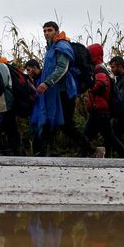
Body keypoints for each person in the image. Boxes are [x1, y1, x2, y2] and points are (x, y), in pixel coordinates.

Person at [31, 21, 93, 157]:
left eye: (49, 30)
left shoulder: (62, 46)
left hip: (64, 91)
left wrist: (46, 83)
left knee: (66, 124)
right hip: (54, 92)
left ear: (57, 31)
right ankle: (46, 151)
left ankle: (89, 149)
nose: (46, 33)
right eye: (45, 31)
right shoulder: (51, 48)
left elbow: (62, 68)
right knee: (51, 119)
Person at [85, 44, 124, 158]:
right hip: (99, 110)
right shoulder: (102, 68)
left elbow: (101, 83)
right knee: (89, 135)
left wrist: (91, 88)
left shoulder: (98, 69)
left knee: (109, 137)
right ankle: (81, 155)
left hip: (99, 110)